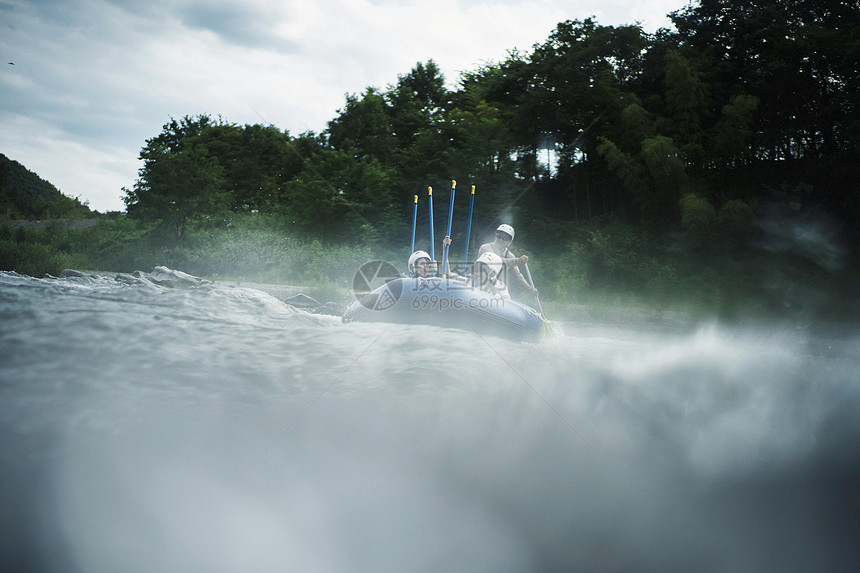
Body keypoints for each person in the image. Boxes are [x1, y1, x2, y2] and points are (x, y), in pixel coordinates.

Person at [441, 236, 510, 300]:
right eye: (476, 270)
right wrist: (445, 249)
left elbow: (508, 302)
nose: (477, 274)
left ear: (491, 273)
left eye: (481, 271)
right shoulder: (468, 280)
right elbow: (448, 274)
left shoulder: (499, 286)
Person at [478, 224, 537, 298]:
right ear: (495, 236)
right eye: (499, 236)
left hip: (497, 287)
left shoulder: (510, 256)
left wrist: (529, 289)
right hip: (481, 281)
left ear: (509, 241)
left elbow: (517, 276)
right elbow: (496, 261)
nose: (500, 240)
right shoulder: (486, 248)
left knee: (506, 296)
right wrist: (517, 260)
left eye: (504, 238)